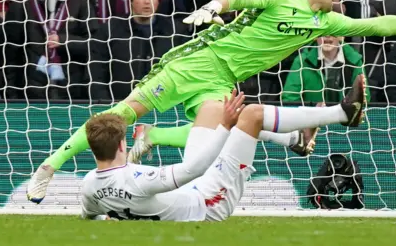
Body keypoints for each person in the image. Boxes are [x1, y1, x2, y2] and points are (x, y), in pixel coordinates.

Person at [27, 0, 396, 203]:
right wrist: (213, 7)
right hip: (196, 64)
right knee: (117, 118)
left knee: (214, 144)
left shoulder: (323, 22)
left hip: (222, 82)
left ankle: (155, 135)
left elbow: (375, 27)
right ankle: (49, 167)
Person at [80, 89, 337, 221]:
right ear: (123, 145)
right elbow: (193, 169)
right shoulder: (138, 177)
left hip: (190, 191)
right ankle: (342, 113)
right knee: (251, 115)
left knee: (211, 107)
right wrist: (226, 126)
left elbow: (89, 214)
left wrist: (108, 216)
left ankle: (297, 139)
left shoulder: (89, 185)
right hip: (208, 203)